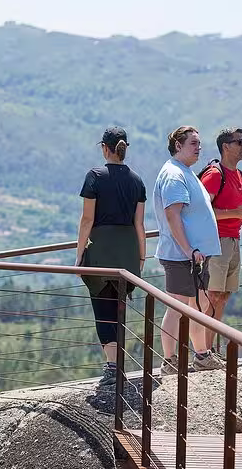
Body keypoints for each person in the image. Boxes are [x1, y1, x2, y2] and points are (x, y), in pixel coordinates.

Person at [76, 126, 147, 386]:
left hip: (102, 250)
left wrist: (80, 253)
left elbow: (87, 219)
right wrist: (141, 256)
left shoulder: (94, 176)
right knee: (119, 308)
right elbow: (140, 224)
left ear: (105, 148)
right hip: (128, 250)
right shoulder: (137, 180)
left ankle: (112, 367)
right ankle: (118, 366)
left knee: (102, 307)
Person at [153, 126, 222, 374]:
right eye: (193, 143)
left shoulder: (184, 171)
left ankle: (202, 355)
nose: (198, 147)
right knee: (177, 307)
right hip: (183, 255)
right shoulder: (174, 174)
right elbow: (173, 215)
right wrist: (189, 249)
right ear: (178, 145)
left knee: (197, 306)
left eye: (199, 143)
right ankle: (170, 362)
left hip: (194, 256)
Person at [198, 127, 242, 355]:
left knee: (222, 297)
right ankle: (203, 352)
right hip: (216, 243)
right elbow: (202, 212)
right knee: (211, 297)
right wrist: (235, 213)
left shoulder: (238, 175)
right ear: (225, 146)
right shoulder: (215, 174)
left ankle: (209, 351)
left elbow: (235, 213)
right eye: (239, 142)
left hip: (233, 240)